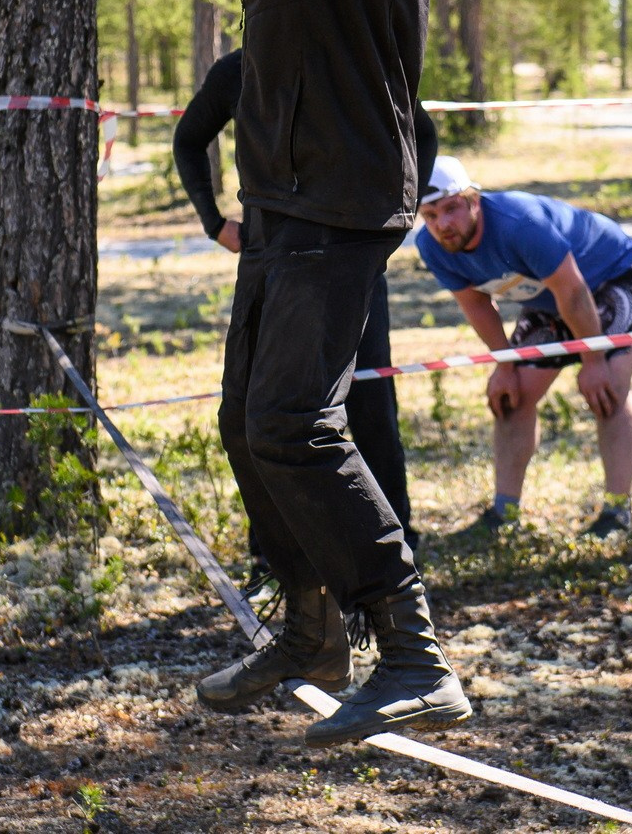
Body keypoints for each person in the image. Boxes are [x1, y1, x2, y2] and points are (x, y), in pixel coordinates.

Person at [139, 0, 469, 746]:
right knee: (249, 425)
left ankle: (415, 658)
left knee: (294, 422)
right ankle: (312, 629)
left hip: (345, 189)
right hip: (283, 197)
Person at [173, 46, 438, 562]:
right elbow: (188, 140)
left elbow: (422, 135)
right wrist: (213, 222)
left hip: (354, 258)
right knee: (259, 407)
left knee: (370, 404)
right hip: (270, 264)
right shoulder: (238, 70)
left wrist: (396, 218)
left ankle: (395, 542)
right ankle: (276, 550)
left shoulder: (358, 55)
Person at [415, 156, 632, 544]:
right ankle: (503, 512)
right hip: (552, 297)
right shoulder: (432, 246)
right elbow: (477, 305)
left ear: (474, 200)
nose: (443, 224)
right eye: (430, 214)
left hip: (612, 276)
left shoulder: (519, 223)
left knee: (606, 387)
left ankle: (617, 511)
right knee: (513, 396)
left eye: (451, 208)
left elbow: (574, 291)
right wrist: (504, 364)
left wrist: (593, 359)